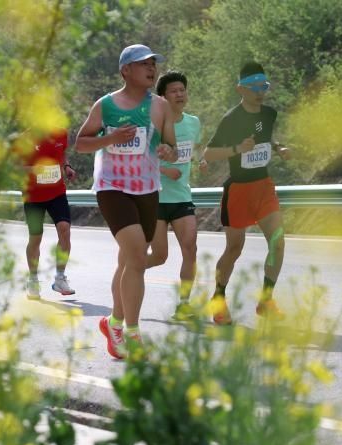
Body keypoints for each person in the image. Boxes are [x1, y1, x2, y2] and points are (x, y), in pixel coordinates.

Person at [75, 44, 178, 358]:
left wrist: (166, 151)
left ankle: (113, 322)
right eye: (143, 64)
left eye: (153, 64)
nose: (151, 69)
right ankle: (132, 333)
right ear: (125, 71)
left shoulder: (160, 107)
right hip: (113, 189)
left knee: (128, 261)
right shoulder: (105, 106)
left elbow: (171, 145)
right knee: (135, 257)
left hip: (147, 189)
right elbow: (80, 143)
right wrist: (110, 139)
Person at [202, 60, 292, 325]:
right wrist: (236, 150)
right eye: (254, 86)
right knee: (234, 249)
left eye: (263, 85)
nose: (260, 91)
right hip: (239, 190)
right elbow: (208, 153)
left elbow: (267, 136)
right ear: (241, 89)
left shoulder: (268, 114)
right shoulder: (231, 120)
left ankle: (266, 300)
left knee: (278, 241)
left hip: (263, 186)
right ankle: (218, 299)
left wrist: (278, 148)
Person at [148, 71, 202, 321]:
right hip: (156, 199)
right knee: (159, 256)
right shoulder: (154, 125)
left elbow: (190, 152)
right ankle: (131, 270)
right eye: (174, 91)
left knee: (190, 249)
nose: (180, 94)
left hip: (182, 197)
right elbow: (141, 158)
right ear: (162, 97)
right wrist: (164, 169)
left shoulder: (193, 123)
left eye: (183, 89)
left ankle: (184, 304)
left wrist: (200, 161)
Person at [20, 129, 77, 299]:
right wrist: (35, 169)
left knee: (65, 229)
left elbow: (62, 153)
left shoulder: (61, 133)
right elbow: (15, 167)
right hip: (34, 196)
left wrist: (66, 166)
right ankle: (33, 280)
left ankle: (60, 278)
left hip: (57, 193)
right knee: (35, 238)